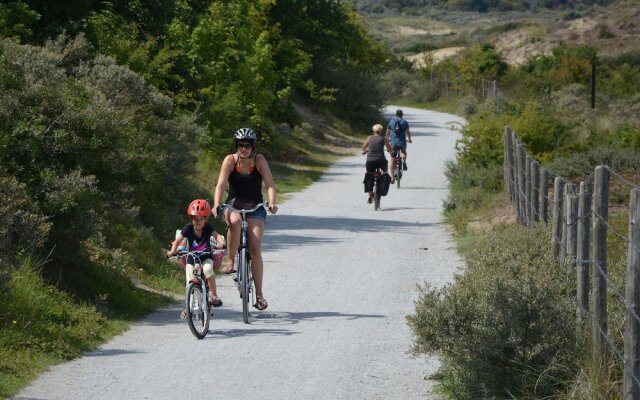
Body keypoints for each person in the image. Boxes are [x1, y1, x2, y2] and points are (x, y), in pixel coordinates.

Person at [212, 128, 278, 311]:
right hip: (233, 203)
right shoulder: (230, 160)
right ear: (236, 146)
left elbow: (270, 185)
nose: (244, 149)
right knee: (234, 223)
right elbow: (220, 184)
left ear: (252, 146)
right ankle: (231, 260)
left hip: (255, 206)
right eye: (240, 145)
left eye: (247, 145)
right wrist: (216, 203)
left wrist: (272, 204)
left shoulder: (259, 160)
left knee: (255, 248)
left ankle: (259, 295)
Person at [167, 199, 226, 318]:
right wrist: (173, 251)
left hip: (206, 257)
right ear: (191, 218)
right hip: (191, 259)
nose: (197, 221)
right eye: (195, 218)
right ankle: (187, 307)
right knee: (189, 282)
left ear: (205, 219)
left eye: (201, 219)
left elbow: (217, 236)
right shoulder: (188, 228)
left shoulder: (208, 228)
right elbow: (178, 240)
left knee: (208, 270)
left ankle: (214, 296)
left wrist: (221, 243)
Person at [362, 123, 392, 203]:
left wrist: (365, 151)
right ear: (381, 131)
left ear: (373, 131)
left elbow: (364, 147)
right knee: (385, 172)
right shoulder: (384, 138)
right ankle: (382, 185)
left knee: (369, 174)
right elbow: (389, 148)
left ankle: (370, 194)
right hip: (381, 160)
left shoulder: (369, 138)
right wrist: (390, 151)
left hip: (370, 161)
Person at [386, 109, 412, 181]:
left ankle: (392, 177)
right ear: (402, 115)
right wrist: (409, 139)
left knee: (392, 160)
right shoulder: (404, 122)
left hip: (393, 143)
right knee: (403, 152)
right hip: (402, 143)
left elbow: (387, 132)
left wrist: (387, 139)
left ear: (396, 114)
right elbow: (408, 132)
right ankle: (404, 162)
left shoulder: (391, 121)